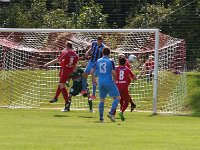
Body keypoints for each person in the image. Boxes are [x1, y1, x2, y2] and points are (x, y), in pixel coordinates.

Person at [43, 41, 79, 107]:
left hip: (65, 70)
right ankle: (55, 97)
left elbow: (57, 60)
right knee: (60, 84)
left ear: (66, 46)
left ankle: (67, 101)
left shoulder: (66, 53)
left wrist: (47, 64)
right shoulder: (76, 55)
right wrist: (74, 73)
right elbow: (75, 65)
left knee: (62, 85)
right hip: (70, 71)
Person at [91, 47, 120, 122]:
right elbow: (113, 72)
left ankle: (101, 118)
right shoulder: (110, 61)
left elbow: (91, 71)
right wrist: (114, 80)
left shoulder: (98, 61)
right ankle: (111, 113)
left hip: (100, 82)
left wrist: (94, 80)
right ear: (109, 53)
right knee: (117, 98)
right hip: (108, 81)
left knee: (102, 100)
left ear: (102, 53)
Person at [81, 36, 106, 101]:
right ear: (97, 40)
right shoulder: (94, 43)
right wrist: (87, 52)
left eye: (101, 41)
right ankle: (84, 90)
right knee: (84, 75)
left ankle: (93, 95)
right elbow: (91, 49)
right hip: (91, 62)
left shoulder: (103, 47)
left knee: (93, 78)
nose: (99, 42)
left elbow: (105, 56)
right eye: (99, 41)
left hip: (97, 64)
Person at [115, 56, 137, 121]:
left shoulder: (116, 68)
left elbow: (113, 74)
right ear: (125, 62)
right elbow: (134, 78)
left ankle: (112, 113)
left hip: (117, 86)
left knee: (118, 100)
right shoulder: (127, 68)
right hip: (124, 86)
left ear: (119, 62)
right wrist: (134, 78)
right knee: (126, 101)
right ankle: (121, 112)